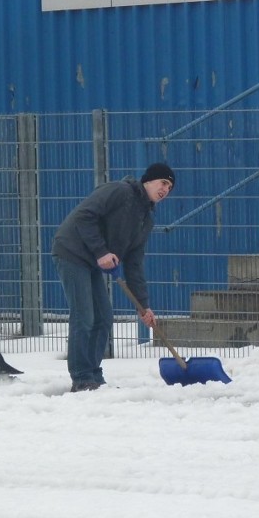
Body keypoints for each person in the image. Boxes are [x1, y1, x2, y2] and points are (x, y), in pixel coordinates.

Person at [52, 163, 175, 392]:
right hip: (72, 250)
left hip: (91, 261)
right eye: (163, 182)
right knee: (85, 315)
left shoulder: (145, 220)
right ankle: (81, 377)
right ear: (148, 180)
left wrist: (143, 306)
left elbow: (134, 264)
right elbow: (83, 216)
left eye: (169, 187)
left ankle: (93, 375)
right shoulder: (120, 191)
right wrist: (101, 251)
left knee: (104, 318)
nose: (166, 189)